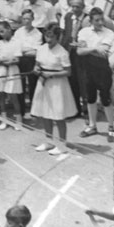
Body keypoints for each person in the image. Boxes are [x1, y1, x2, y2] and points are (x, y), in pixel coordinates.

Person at [31, 23, 77, 156]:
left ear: (57, 37)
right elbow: (37, 65)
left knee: (58, 116)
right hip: (43, 83)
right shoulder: (41, 49)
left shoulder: (62, 52)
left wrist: (51, 75)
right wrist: (36, 70)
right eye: (46, 36)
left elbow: (68, 72)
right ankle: (48, 141)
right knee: (45, 113)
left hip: (57, 85)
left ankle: (62, 145)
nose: (48, 39)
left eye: (51, 37)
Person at [76, 7, 114, 140]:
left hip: (103, 69)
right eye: (97, 20)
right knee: (90, 97)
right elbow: (79, 52)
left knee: (106, 98)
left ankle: (111, 127)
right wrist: (94, 48)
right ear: (91, 21)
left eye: (101, 19)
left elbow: (103, 53)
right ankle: (92, 126)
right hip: (88, 68)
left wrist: (87, 48)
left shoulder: (109, 33)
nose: (100, 23)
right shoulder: (84, 32)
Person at [62, 0, 90, 118]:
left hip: (83, 54)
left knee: (84, 81)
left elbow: (90, 39)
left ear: (83, 7)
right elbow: (66, 35)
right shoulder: (68, 17)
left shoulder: (88, 19)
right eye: (72, 6)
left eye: (77, 7)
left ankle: (87, 109)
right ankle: (75, 109)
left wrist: (78, 44)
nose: (74, 9)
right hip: (70, 53)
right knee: (72, 80)